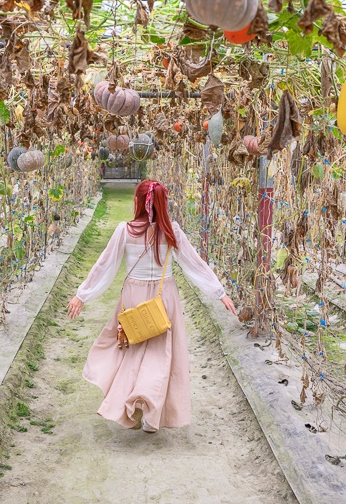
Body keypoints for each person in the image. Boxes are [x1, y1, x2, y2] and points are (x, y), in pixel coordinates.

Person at [66, 180, 237, 433]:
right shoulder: (172, 232)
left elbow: (105, 265)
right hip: (163, 298)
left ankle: (134, 401)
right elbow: (194, 264)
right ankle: (148, 408)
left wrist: (83, 295)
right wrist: (219, 292)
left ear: (137, 202)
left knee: (128, 353)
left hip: (133, 297)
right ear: (162, 204)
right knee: (161, 356)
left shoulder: (124, 231)